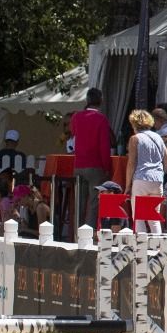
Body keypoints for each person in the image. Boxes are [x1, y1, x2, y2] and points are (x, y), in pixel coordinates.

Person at [71, 87, 113, 229]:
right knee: (94, 202)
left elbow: (74, 135)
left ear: (87, 100)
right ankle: (88, 232)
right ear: (100, 101)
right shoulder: (101, 119)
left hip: (79, 164)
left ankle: (77, 232)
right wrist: (106, 167)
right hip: (95, 166)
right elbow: (104, 146)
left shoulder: (76, 117)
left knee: (79, 202)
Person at [126, 108, 167, 233]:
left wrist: (128, 185)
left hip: (141, 179)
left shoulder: (135, 139)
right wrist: (161, 174)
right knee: (153, 217)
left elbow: (131, 163)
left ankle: (141, 248)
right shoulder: (158, 137)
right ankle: (158, 249)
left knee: (139, 217)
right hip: (157, 180)